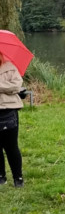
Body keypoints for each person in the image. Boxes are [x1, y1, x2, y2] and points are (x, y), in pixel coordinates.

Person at [0, 51, 24, 187]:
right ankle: (1, 176)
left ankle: (18, 178)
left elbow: (16, 86)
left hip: (8, 110)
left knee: (11, 147)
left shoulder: (10, 67)